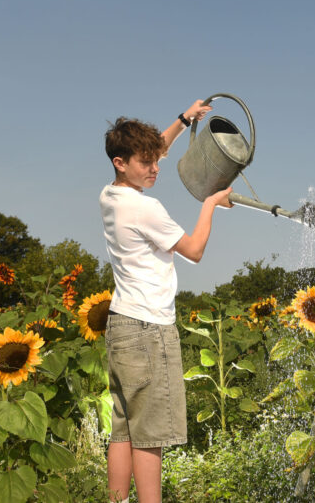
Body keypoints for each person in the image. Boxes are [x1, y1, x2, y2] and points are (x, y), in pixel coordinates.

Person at [100, 102, 233, 503]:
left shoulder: (110, 196)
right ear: (122, 162)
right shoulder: (146, 208)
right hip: (148, 330)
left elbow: (155, 147)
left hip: (121, 325)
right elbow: (193, 250)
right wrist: (210, 204)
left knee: (123, 429)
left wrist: (183, 120)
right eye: (146, 163)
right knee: (150, 434)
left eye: (155, 159)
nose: (155, 168)